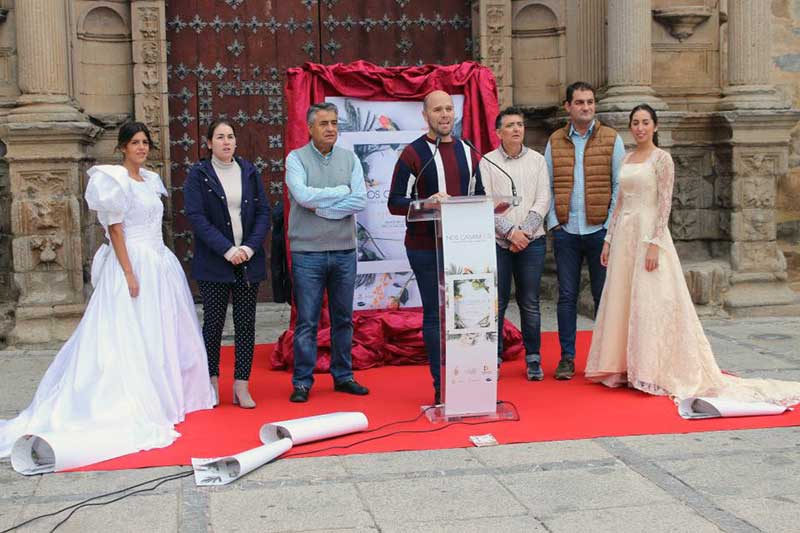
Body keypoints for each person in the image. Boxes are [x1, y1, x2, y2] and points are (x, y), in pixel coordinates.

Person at [0, 123, 213, 468]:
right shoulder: (112, 180)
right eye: (135, 143)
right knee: (131, 332)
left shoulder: (152, 180)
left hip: (159, 262)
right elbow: (115, 230)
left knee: (161, 329)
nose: (142, 148)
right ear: (122, 147)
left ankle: (170, 395)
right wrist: (129, 272)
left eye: (145, 142)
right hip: (133, 262)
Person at [585, 105, 800, 405]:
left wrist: (654, 243)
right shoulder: (627, 158)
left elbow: (664, 206)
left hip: (648, 233)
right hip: (624, 236)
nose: (640, 128)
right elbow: (619, 202)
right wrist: (609, 238)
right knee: (622, 297)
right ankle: (620, 365)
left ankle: (650, 368)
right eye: (635, 123)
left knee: (650, 300)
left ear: (655, 127)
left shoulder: (662, 159)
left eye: (645, 123)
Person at [388, 90, 484, 405]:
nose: (444, 115)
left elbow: (481, 195)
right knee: (434, 314)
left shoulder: (469, 151)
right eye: (437, 110)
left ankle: (470, 380)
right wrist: (426, 202)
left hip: (464, 247)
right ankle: (441, 385)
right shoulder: (413, 154)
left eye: (448, 109)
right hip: (425, 246)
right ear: (425, 115)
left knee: (465, 314)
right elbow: (394, 203)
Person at [284, 102, 369, 403]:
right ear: (309, 128)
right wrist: (340, 192)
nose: (331, 128)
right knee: (307, 320)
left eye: (334, 123)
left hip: (344, 250)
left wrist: (324, 208)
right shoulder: (296, 159)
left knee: (343, 318)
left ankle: (343, 375)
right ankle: (303, 381)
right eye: (324, 123)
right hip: (308, 253)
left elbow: (360, 201)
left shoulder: (350, 159)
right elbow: (302, 196)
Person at [183, 119, 270, 409]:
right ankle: (210, 383)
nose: (226, 142)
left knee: (246, 324)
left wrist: (247, 247)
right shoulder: (199, 175)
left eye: (230, 136)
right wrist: (226, 250)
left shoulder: (249, 171)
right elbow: (196, 217)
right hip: (215, 263)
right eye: (219, 137)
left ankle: (241, 385)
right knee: (214, 324)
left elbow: (262, 212)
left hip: (247, 261)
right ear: (209, 143)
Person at [545, 81, 625, 380]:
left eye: (590, 102)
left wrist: (609, 228)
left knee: (604, 295)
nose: (586, 107)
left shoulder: (611, 139)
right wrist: (555, 222)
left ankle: (606, 357)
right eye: (580, 102)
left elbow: (620, 185)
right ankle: (567, 358)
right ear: (568, 106)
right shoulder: (555, 141)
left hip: (598, 233)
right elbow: (548, 185)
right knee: (567, 296)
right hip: (567, 231)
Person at [480, 107, 550, 381]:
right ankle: (494, 357)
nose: (516, 129)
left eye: (520, 124)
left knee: (529, 301)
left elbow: (543, 199)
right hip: (499, 242)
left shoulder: (537, 160)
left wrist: (524, 233)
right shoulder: (487, 162)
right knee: (496, 303)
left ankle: (533, 358)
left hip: (531, 242)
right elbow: (485, 202)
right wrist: (510, 233)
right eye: (510, 125)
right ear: (498, 133)